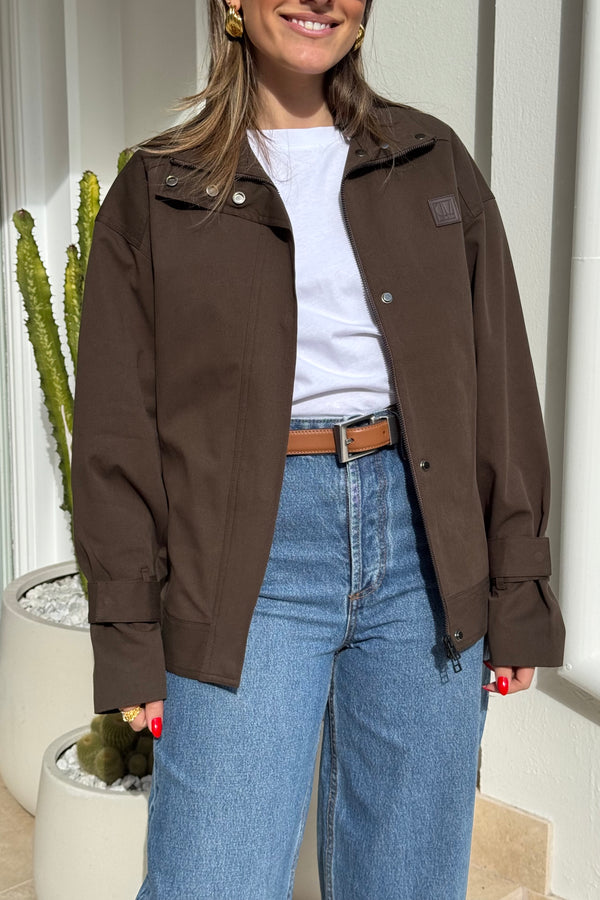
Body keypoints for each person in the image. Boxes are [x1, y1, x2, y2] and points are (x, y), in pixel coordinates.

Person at [71, 1, 566, 898]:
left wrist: (517, 582)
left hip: (423, 550)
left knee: (409, 882)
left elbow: (497, 384)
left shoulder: (432, 160)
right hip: (243, 564)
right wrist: (129, 631)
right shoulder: (160, 190)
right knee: (210, 880)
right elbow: (116, 433)